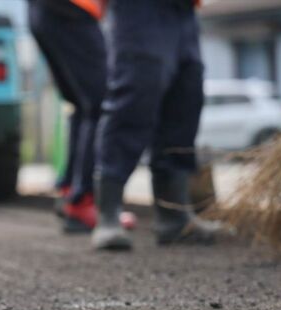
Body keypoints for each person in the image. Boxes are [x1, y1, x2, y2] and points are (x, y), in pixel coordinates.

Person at [92, 0, 220, 250]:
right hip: (139, 9)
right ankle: (108, 215)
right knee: (136, 95)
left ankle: (174, 217)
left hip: (183, 9)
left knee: (185, 98)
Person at [28, 0, 107, 233]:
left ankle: (71, 191)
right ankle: (82, 201)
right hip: (73, 9)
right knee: (99, 102)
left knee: (83, 103)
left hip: (46, 11)